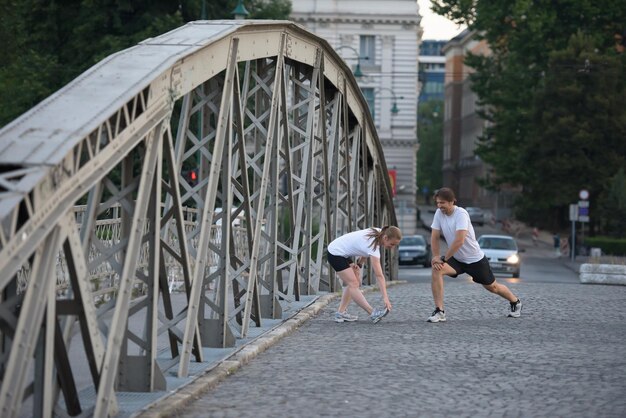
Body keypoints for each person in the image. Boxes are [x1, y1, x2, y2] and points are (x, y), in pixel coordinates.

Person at [427, 188, 522, 322]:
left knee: (493, 287)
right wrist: (436, 257)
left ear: (451, 202)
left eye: (442, 203)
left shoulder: (461, 214)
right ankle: (439, 311)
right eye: (437, 203)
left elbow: (459, 240)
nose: (439, 206)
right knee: (437, 270)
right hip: (456, 259)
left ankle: (515, 301)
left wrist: (443, 258)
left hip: (474, 259)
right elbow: (435, 236)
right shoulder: (439, 213)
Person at [327, 226, 402, 323]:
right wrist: (385, 298)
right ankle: (372, 313)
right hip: (335, 253)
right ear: (386, 238)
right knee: (353, 284)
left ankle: (340, 313)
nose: (392, 247)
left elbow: (363, 248)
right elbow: (379, 275)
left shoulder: (379, 232)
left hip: (341, 251)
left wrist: (359, 264)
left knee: (354, 283)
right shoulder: (373, 247)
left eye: (395, 245)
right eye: (392, 244)